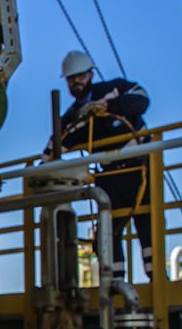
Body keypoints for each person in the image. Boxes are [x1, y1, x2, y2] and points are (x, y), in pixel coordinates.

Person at [44, 50, 153, 279]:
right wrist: (40, 168)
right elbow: (54, 146)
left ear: (91, 75)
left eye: (81, 76)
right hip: (110, 175)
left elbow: (142, 99)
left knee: (148, 227)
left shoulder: (115, 89)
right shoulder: (73, 117)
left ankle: (157, 281)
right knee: (107, 234)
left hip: (140, 168)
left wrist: (109, 106)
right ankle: (114, 285)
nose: (76, 82)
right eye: (71, 78)